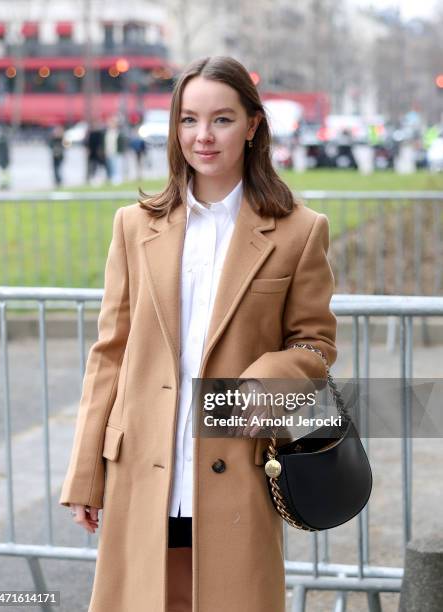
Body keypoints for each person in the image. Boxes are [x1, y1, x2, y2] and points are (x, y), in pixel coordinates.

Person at [59, 55, 337, 612]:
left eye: (221, 120)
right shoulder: (135, 226)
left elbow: (315, 344)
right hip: (142, 468)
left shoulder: (299, 231)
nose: (202, 137)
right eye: (188, 119)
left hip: (237, 467)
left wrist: (261, 382)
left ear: (253, 125)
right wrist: (85, 474)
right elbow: (109, 354)